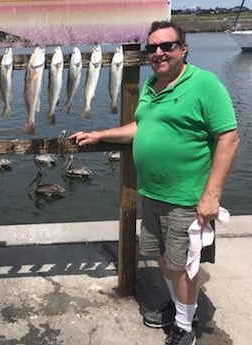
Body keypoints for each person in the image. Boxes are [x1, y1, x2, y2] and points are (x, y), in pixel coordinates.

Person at [70, 21, 239, 345]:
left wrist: (211, 196)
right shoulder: (151, 86)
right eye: (152, 48)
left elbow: (229, 139)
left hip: (188, 199)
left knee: (184, 267)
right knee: (161, 257)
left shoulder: (205, 84)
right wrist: (100, 135)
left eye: (167, 46)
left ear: (183, 48)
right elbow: (141, 127)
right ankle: (179, 307)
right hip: (152, 194)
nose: (158, 53)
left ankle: (185, 326)